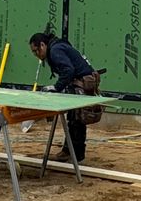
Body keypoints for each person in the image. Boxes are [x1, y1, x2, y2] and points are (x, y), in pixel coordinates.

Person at [29, 31, 96, 162]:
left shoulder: (55, 50)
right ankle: (69, 151)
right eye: (33, 53)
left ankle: (76, 155)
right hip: (80, 82)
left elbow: (68, 70)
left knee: (76, 120)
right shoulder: (57, 46)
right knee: (73, 119)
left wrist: (56, 87)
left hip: (82, 83)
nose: (36, 55)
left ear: (42, 45)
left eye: (36, 51)